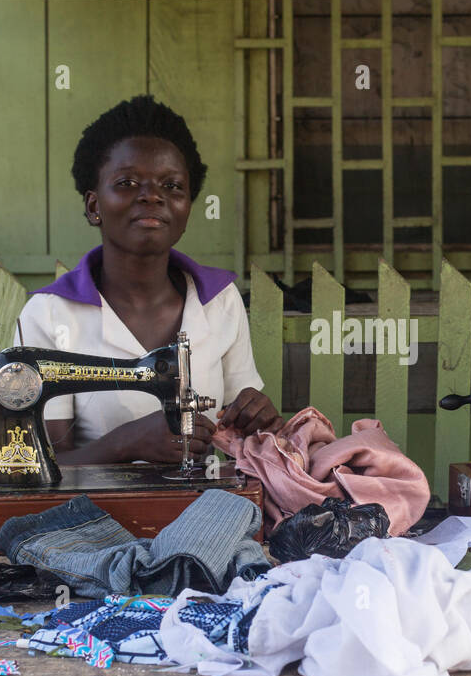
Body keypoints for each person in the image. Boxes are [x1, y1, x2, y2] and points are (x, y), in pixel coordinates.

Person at [14, 95, 282, 464]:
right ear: (94, 207)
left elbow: (241, 431)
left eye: (172, 186)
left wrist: (258, 416)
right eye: (127, 182)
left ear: (187, 207)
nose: (152, 196)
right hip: (89, 515)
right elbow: (38, 470)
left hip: (207, 510)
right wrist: (127, 444)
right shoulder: (49, 315)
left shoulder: (219, 301)